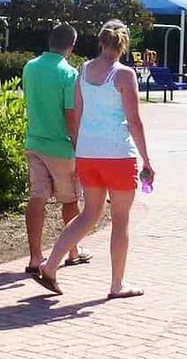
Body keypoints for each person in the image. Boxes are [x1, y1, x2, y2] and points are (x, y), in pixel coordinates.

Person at [34, 20, 154, 298]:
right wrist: (146, 159)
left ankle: (51, 265)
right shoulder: (124, 75)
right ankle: (116, 284)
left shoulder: (83, 71)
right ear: (124, 44)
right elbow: (134, 121)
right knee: (121, 219)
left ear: (100, 41)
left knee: (90, 212)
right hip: (117, 155)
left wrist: (79, 147)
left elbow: (76, 113)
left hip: (88, 153)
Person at [21, 23, 90, 277]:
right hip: (60, 146)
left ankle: (35, 255)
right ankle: (72, 250)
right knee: (70, 199)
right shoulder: (69, 74)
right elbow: (71, 116)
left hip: (35, 141)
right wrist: (78, 146)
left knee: (37, 197)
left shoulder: (30, 67)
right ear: (71, 47)